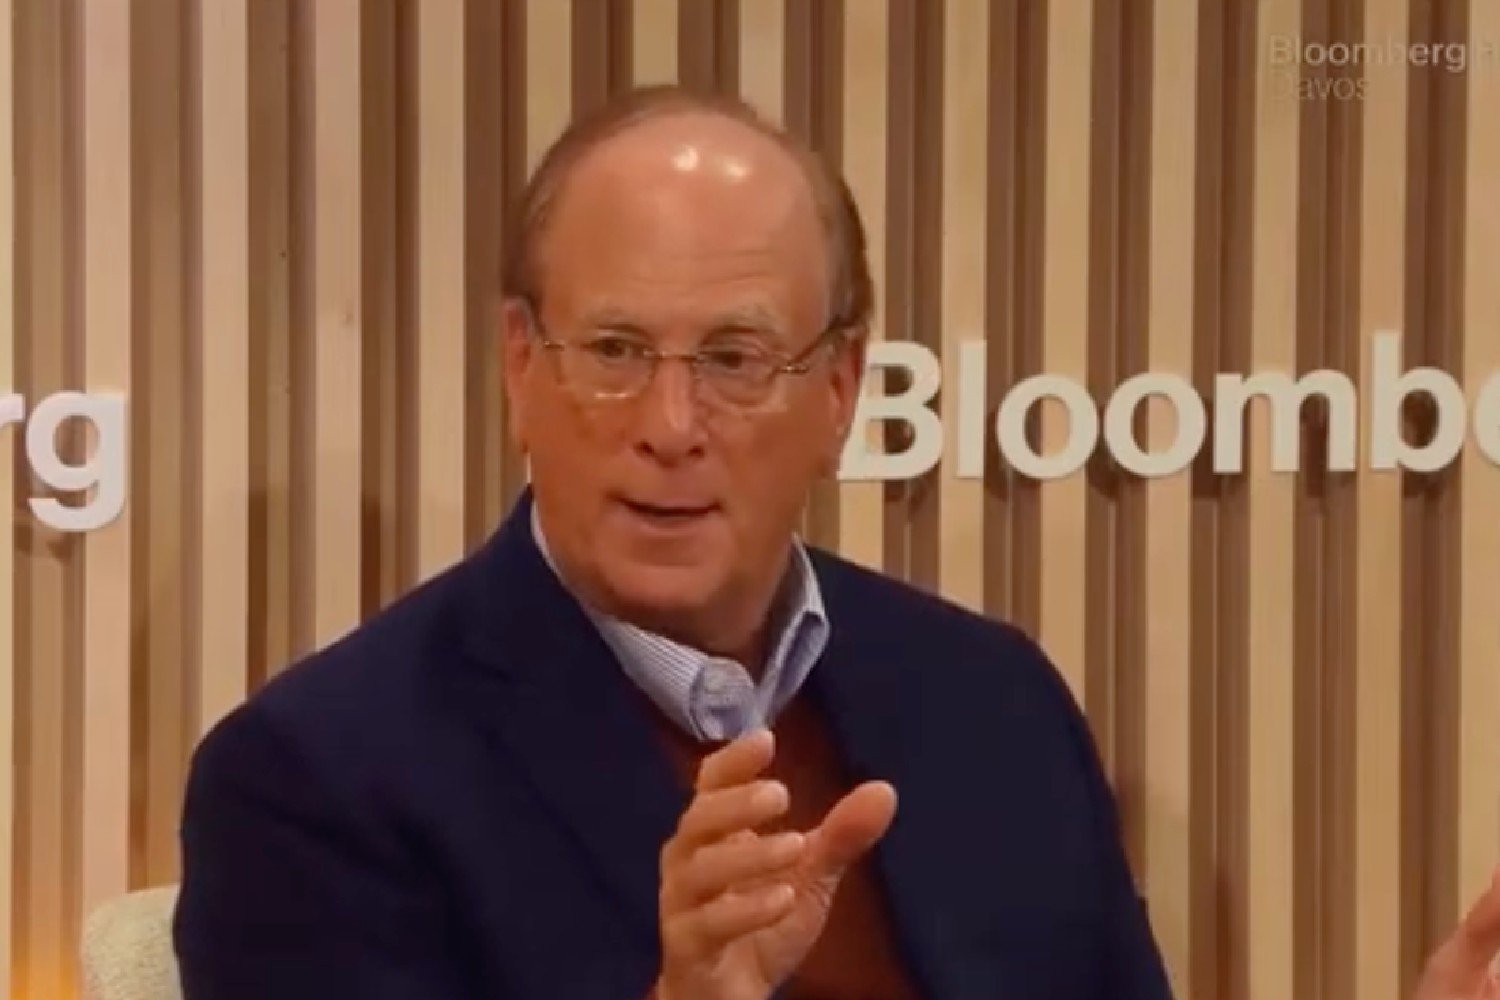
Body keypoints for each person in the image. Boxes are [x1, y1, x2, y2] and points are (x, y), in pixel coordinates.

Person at [172, 84, 1500, 1000]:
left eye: (737, 357)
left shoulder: (993, 702)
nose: (672, 424)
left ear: (841, 389)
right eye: (618, 352)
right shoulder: (314, 781)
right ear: (521, 369)